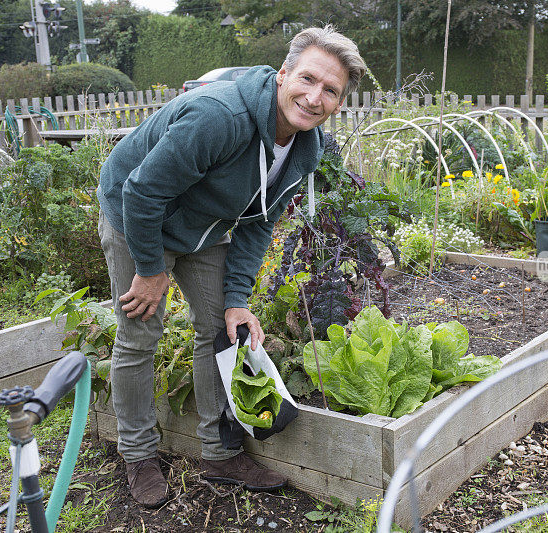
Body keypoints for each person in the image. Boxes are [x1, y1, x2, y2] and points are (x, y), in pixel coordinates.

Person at [96, 25, 366, 508]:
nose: (314, 97)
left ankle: (218, 454)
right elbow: (142, 190)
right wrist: (150, 266)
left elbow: (261, 222)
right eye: (307, 79)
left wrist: (238, 299)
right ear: (283, 74)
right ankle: (138, 454)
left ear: (339, 103)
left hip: (202, 224)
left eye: (330, 90)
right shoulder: (219, 116)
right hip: (136, 214)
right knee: (139, 333)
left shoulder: (307, 147)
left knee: (221, 328)